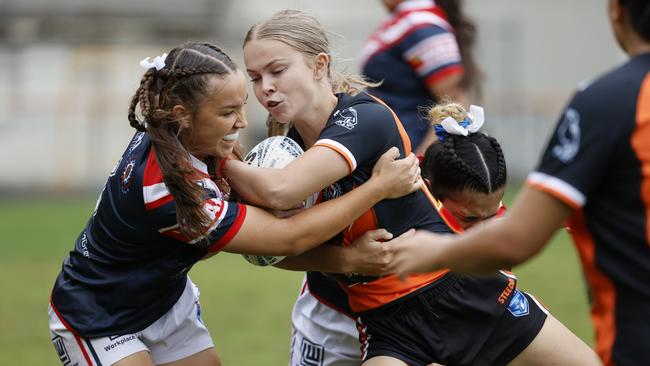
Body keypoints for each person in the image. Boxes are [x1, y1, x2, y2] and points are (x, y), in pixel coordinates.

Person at [224, 10, 599, 366]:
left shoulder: (362, 118)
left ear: (320, 65)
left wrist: (217, 158)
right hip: (388, 322)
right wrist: (346, 260)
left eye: (277, 70)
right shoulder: (280, 154)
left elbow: (282, 192)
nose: (266, 88)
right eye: (255, 78)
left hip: (456, 288)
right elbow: (270, 248)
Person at [47, 41, 421, 366]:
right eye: (227, 113)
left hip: (164, 302)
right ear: (183, 116)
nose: (242, 122)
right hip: (99, 314)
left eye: (241, 105)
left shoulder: (179, 138)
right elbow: (285, 240)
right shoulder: (169, 189)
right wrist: (377, 188)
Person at [388, 1, 650, 365]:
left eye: (491, 214)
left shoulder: (606, 101)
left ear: (616, 11)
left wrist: (431, 252)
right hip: (406, 327)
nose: (484, 224)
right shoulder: (401, 190)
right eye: (470, 219)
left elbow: (516, 236)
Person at [361, 0, 481, 156]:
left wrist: (421, 161)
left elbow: (455, 102)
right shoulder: (406, 20)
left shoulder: (420, 24)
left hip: (410, 151)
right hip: (395, 152)